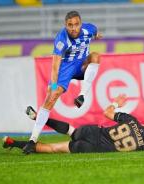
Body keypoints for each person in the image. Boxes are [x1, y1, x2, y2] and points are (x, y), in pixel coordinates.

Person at [3, 95, 144, 154]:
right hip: (94, 147)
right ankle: (14, 142)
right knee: (52, 148)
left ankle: (41, 119)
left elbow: (107, 112)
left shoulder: (132, 119)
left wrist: (116, 103)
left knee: (71, 130)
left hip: (92, 131)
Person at [23, 10, 102, 154]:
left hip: (82, 65)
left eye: (76, 24)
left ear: (81, 23)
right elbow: (55, 66)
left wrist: (97, 36)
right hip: (66, 68)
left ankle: (82, 95)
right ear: (65, 25)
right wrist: (53, 86)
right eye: (70, 25)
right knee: (51, 98)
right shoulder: (61, 39)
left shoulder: (89, 29)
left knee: (96, 56)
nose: (73, 28)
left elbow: (95, 32)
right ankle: (32, 140)